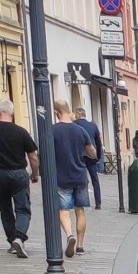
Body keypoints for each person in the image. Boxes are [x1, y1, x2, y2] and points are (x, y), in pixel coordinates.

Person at [0, 98, 39, 258]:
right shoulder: (21, 131)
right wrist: (35, 174)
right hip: (18, 174)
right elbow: (33, 157)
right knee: (23, 209)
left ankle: (12, 242)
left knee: (5, 209)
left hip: (0, 174)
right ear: (13, 112)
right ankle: (19, 237)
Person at [51, 99, 94, 258]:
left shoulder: (52, 130)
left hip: (62, 176)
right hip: (80, 175)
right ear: (68, 110)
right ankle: (80, 246)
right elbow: (92, 153)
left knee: (64, 210)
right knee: (80, 210)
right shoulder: (80, 130)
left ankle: (70, 235)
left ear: (56, 112)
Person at [73, 108, 103, 210]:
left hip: (79, 156)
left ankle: (81, 201)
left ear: (78, 114)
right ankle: (98, 202)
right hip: (91, 156)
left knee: (80, 179)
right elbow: (98, 143)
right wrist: (98, 156)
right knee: (95, 179)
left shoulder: (74, 124)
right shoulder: (93, 126)